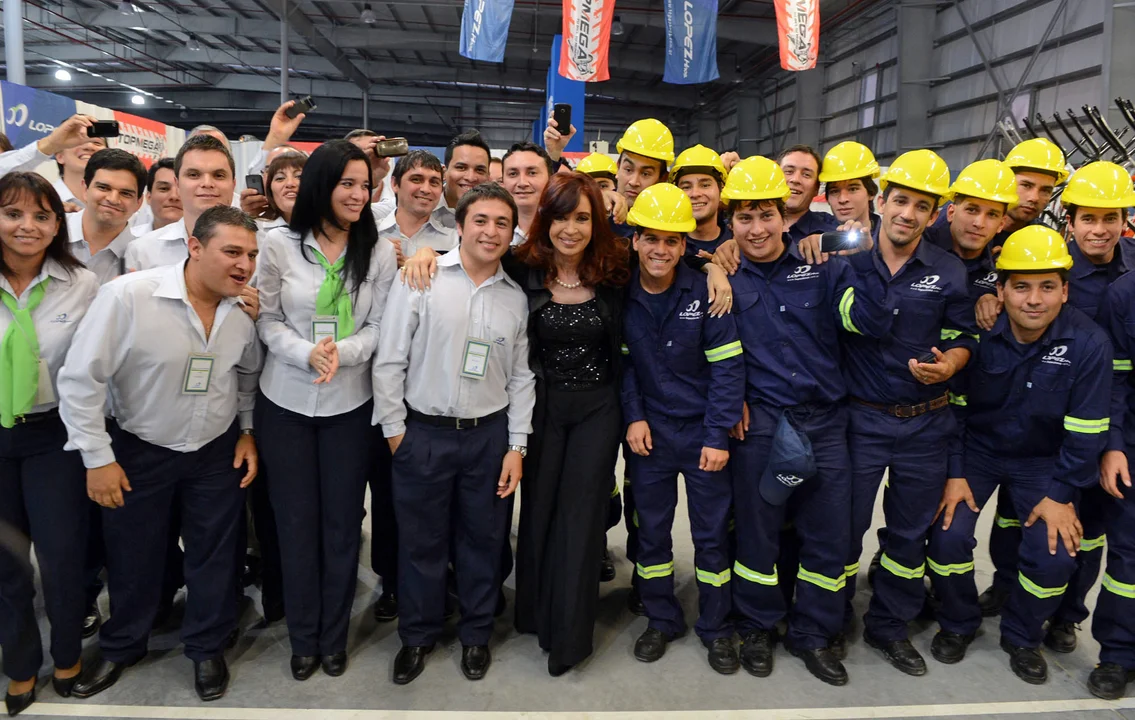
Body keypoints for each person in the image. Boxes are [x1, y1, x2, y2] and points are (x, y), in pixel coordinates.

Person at [399, 173, 734, 677]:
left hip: (600, 410)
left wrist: (713, 268)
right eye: (562, 217)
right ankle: (534, 613)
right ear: (545, 220)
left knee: (581, 519)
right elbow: (473, 252)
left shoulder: (612, 265)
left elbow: (665, 253)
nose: (571, 229)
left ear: (596, 222)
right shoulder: (522, 264)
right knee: (538, 514)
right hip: (540, 408)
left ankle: (570, 633)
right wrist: (427, 253)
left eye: (583, 218)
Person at [57, 205, 262, 702]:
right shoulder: (129, 297)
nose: (244, 265)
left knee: (214, 556)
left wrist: (247, 431)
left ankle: (207, 646)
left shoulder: (244, 311)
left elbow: (247, 375)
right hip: (138, 449)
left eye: (252, 255)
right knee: (134, 555)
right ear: (195, 247)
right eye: (232, 252)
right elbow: (81, 380)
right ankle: (123, 644)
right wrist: (97, 458)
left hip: (214, 450)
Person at [717, 157, 890, 686]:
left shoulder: (824, 267)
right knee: (758, 535)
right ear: (731, 223)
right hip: (764, 427)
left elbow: (872, 322)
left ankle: (813, 634)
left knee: (826, 537)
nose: (757, 228)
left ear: (782, 216)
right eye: (744, 218)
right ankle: (757, 626)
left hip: (825, 426)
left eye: (765, 214)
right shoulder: (725, 277)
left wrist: (859, 260)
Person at [926, 226, 1111, 686]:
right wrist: (954, 472)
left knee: (1054, 555)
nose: (1034, 299)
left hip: (1044, 462)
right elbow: (956, 409)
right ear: (1001, 290)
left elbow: (1086, 432)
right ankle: (958, 622)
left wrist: (1062, 494)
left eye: (1047, 286)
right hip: (979, 453)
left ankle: (1023, 636)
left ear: (1065, 291)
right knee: (947, 538)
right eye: (1021, 286)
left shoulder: (1090, 346)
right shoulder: (978, 335)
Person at [374, 182, 535, 685]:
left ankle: (475, 634)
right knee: (421, 542)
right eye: (481, 220)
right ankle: (417, 636)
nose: (490, 232)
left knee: (482, 541)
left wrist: (516, 445)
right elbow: (390, 359)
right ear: (459, 226)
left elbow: (521, 377)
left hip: (488, 438)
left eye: (502, 224)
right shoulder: (420, 279)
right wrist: (397, 432)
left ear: (513, 234)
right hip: (423, 434)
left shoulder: (515, 298)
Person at [973, 162, 1135, 652]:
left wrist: (1111, 442)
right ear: (1070, 219)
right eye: (1090, 218)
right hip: (1039, 426)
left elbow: (1116, 379)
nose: (1100, 229)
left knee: (1085, 533)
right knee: (1015, 520)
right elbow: (998, 277)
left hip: (1099, 426)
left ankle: (1065, 615)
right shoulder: (1046, 261)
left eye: (1111, 218)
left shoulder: (1130, 277)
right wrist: (986, 291)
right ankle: (1008, 585)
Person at [255, 139, 396, 681]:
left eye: (366, 185)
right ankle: (303, 636)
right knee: (294, 523)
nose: (361, 195)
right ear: (322, 184)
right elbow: (266, 319)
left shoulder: (378, 251)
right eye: (349, 184)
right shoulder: (277, 245)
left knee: (341, 525)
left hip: (349, 405)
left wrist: (346, 352)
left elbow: (381, 326)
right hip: (285, 401)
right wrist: (304, 351)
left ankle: (333, 637)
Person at [837, 150, 978, 675]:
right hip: (860, 420)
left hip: (925, 424)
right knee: (842, 529)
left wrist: (953, 364)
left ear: (934, 214)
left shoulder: (948, 271)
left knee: (907, 536)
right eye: (900, 201)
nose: (908, 214)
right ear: (881, 201)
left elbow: (965, 336)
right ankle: (832, 619)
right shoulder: (845, 255)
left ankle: (888, 627)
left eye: (922, 206)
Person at [620, 182, 744, 673]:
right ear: (635, 241)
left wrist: (717, 435)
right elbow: (626, 364)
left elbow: (728, 368)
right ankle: (661, 619)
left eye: (672, 241)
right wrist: (633, 416)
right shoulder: (622, 293)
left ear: (685, 245)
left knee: (712, 535)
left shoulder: (707, 293)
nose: (660, 250)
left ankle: (716, 628)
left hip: (700, 435)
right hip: (650, 435)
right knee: (650, 533)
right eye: (651, 238)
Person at [0, 173, 99, 717]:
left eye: (42, 216)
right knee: (6, 565)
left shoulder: (79, 283)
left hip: (53, 436)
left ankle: (66, 659)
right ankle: (19, 666)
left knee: (63, 557)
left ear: (57, 224)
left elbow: (90, 368)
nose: (27, 227)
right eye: (13, 214)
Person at [1090, 235, 1135, 699]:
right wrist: (1115, 444)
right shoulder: (1125, 292)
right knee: (1128, 556)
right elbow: (1116, 378)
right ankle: (1119, 654)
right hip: (1134, 441)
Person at [927, 138, 1067, 253]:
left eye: (1045, 190)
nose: (1034, 197)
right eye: (1026, 185)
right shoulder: (941, 228)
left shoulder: (1043, 241)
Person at [125, 135, 237, 272]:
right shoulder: (141, 251)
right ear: (178, 184)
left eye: (218, 175)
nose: (207, 183)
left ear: (233, 184)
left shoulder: (261, 246)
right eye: (194, 175)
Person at [64, 149, 146, 285]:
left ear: (139, 202)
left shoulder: (144, 256)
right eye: (103, 188)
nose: (113, 199)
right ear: (85, 189)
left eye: (125, 193)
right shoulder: (50, 232)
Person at [378, 150, 455, 266]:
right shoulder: (370, 235)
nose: (426, 189)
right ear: (394, 184)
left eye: (434, 182)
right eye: (416, 179)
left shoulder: (454, 242)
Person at [670, 145, 731, 259]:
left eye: (705, 185)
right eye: (686, 187)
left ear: (721, 190)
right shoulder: (666, 248)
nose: (695, 194)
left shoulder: (738, 244)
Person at [818, 141, 880, 237]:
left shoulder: (889, 239)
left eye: (853, 189)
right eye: (834, 191)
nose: (842, 199)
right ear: (827, 198)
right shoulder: (816, 236)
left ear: (871, 193)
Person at [501, 141, 554, 245]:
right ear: (502, 180)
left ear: (550, 178)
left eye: (532, 173)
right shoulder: (492, 231)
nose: (522, 183)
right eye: (513, 174)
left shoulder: (562, 231)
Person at [614, 119, 673, 209]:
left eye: (645, 174)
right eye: (628, 170)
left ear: (662, 179)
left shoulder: (668, 220)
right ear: (618, 168)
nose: (633, 182)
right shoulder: (596, 214)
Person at [256, 151, 306, 235]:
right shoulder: (255, 230)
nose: (290, 183)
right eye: (280, 178)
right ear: (270, 189)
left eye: (299, 176)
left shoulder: (329, 229)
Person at [131, 158, 183, 237]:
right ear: (148, 197)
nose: (174, 196)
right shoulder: (129, 240)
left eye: (182, 189)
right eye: (164, 188)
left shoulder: (204, 244)